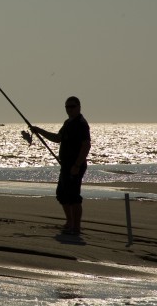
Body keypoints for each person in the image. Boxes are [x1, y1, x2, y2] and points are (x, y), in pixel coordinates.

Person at [32, 96, 91, 235]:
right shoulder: (68, 123)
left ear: (79, 107)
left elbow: (86, 145)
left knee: (74, 197)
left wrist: (76, 165)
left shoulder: (81, 124)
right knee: (62, 194)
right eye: (67, 107)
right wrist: (39, 130)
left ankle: (76, 227)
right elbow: (58, 138)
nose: (69, 109)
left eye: (72, 106)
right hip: (65, 165)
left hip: (75, 166)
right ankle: (69, 222)